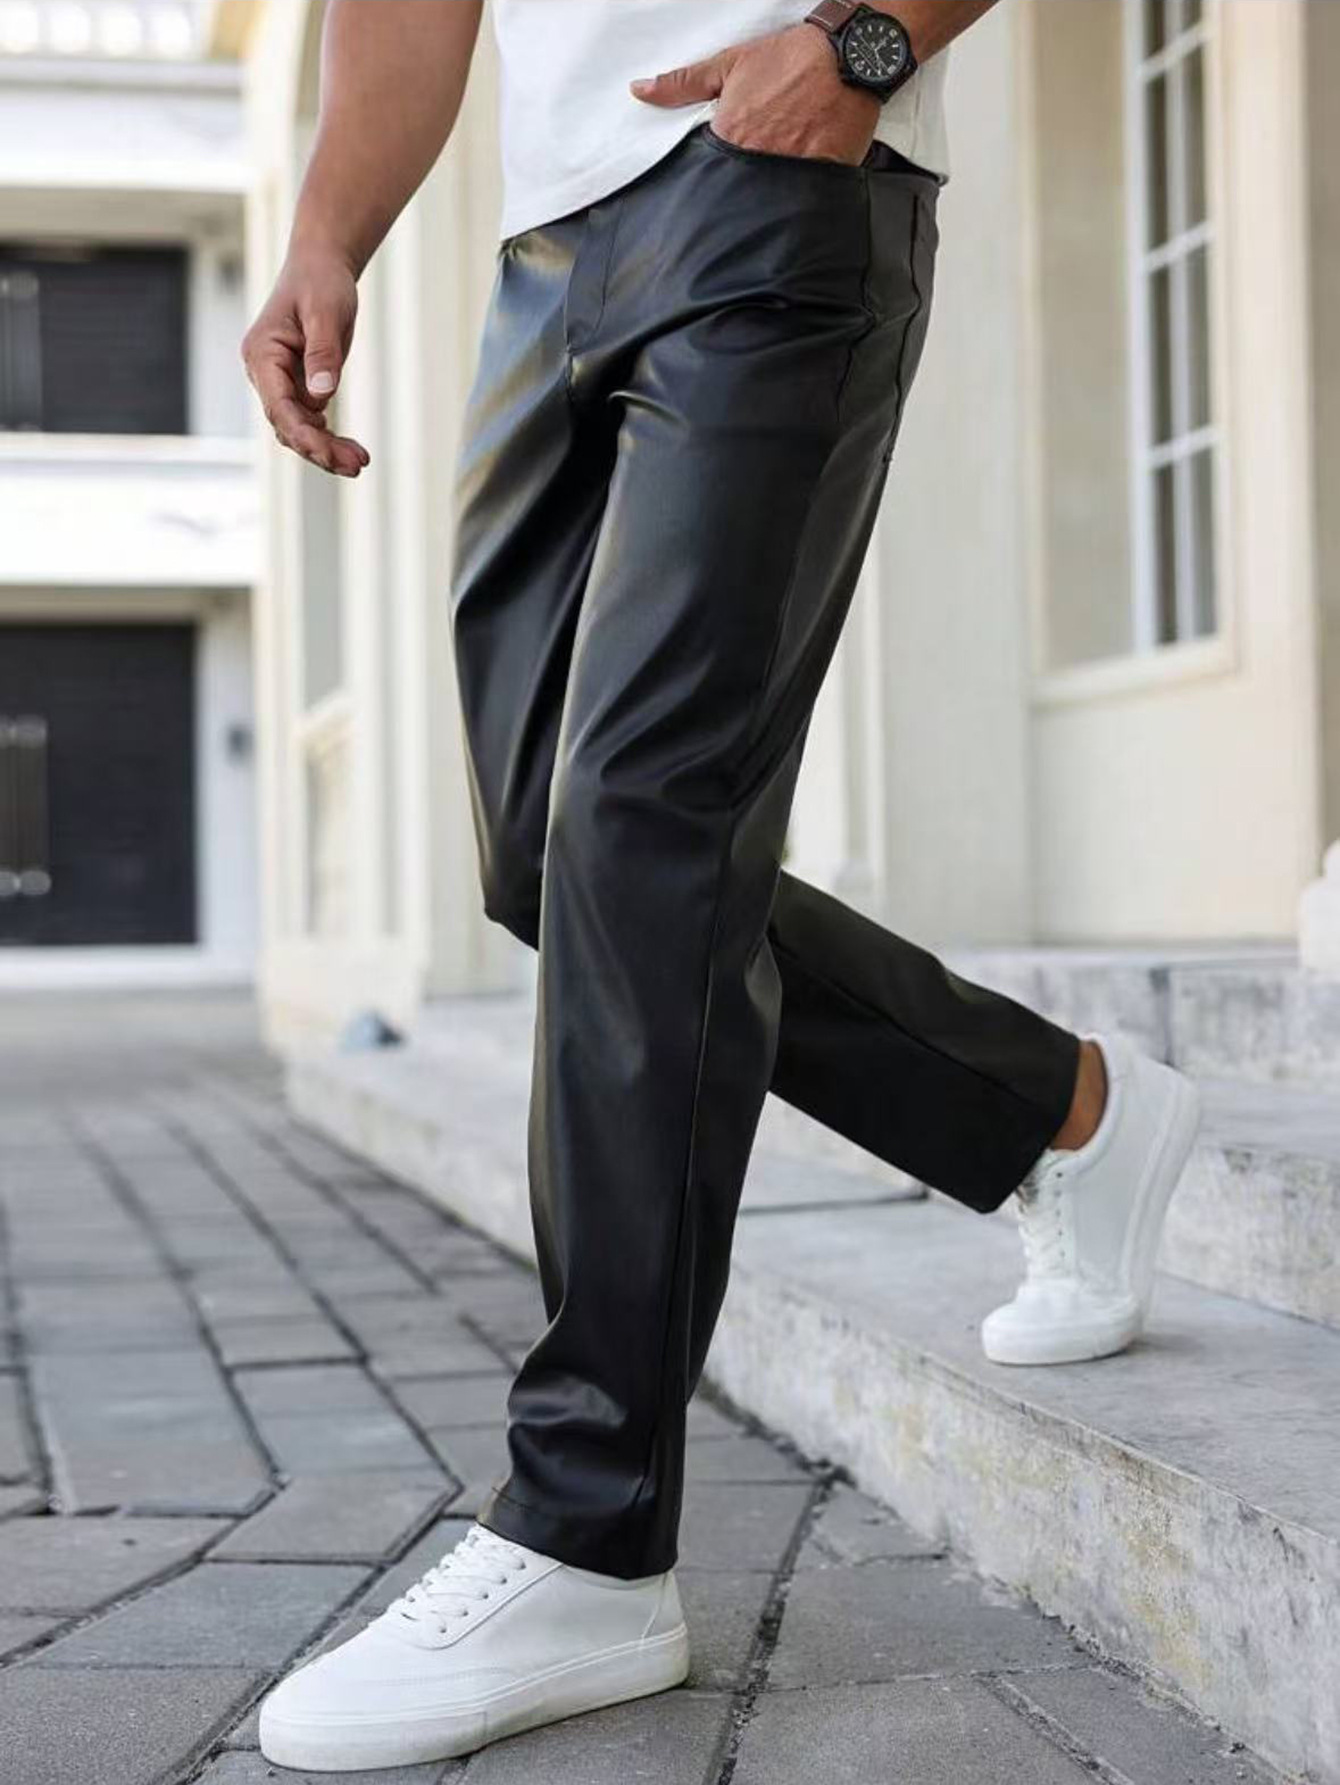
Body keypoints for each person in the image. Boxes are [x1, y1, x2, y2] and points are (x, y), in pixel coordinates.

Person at [244, 2, 1201, 1770]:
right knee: (555, 854)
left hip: (776, 175)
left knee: (642, 823)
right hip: (549, 249)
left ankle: (587, 1530)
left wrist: (866, 45)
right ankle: (1062, 1109)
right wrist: (325, 233)